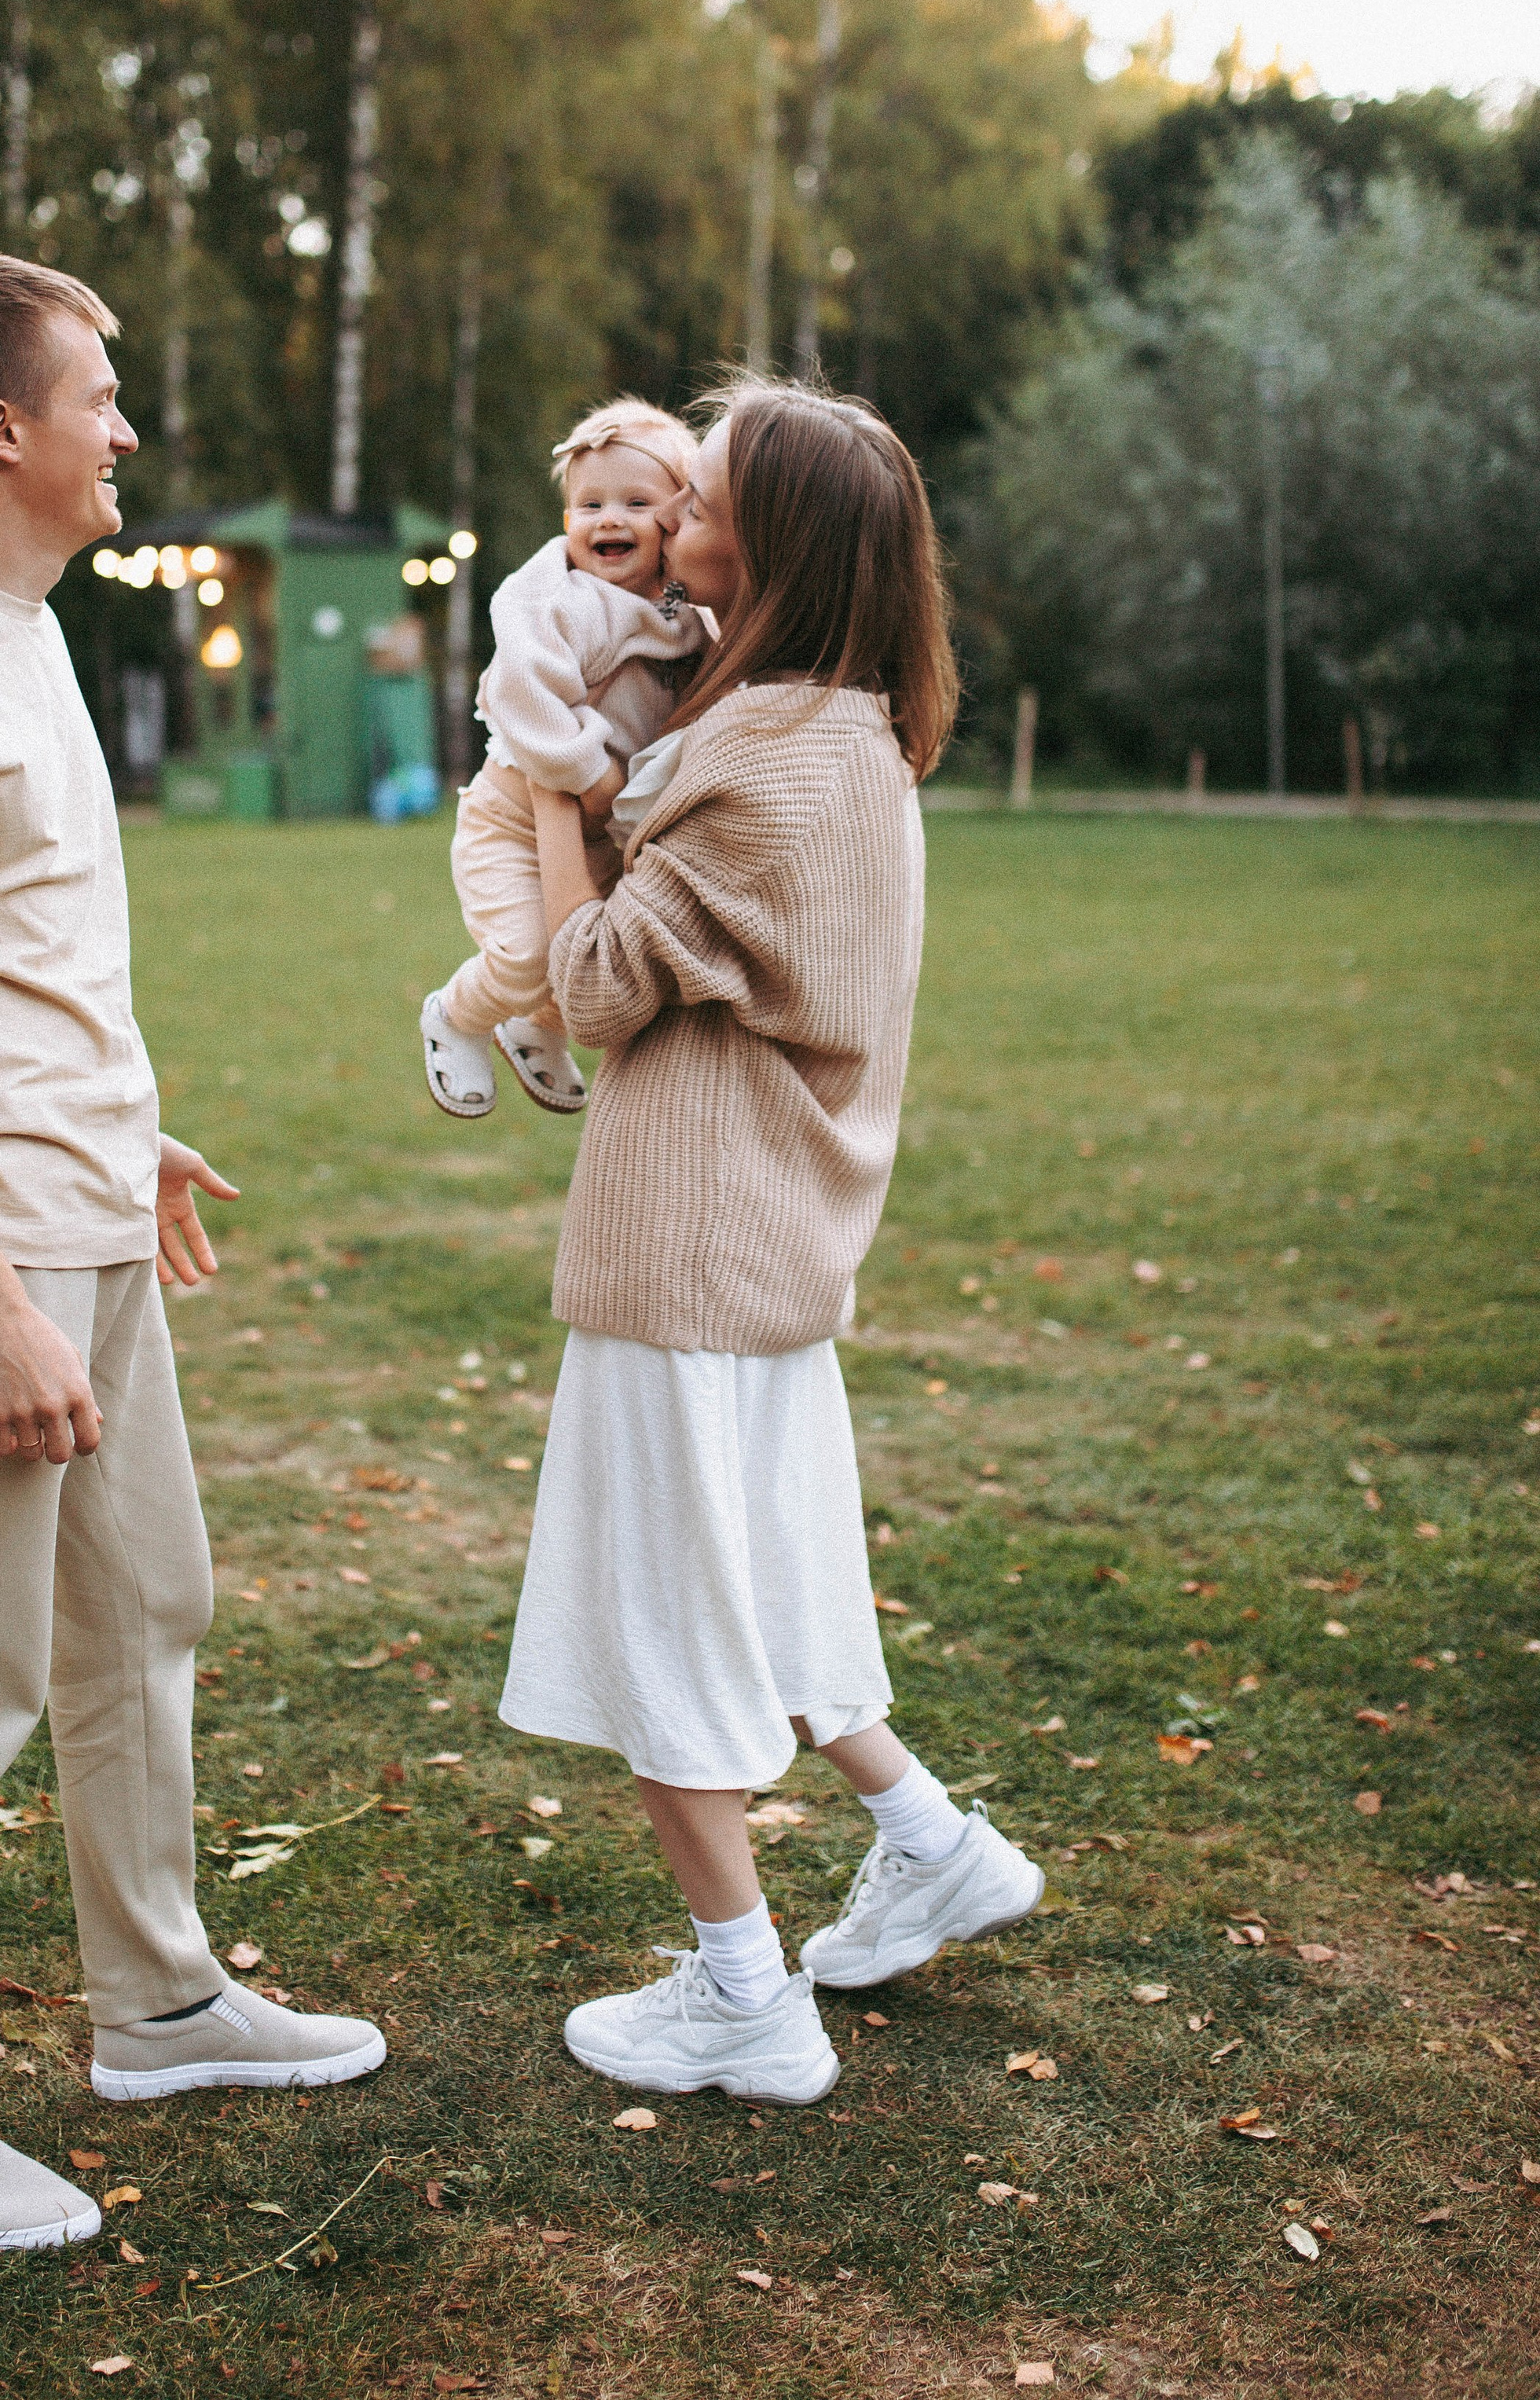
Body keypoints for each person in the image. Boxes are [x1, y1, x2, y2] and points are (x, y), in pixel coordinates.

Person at [0, 251, 383, 2253]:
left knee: (144, 1609)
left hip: (81, 1203)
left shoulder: (19, 626)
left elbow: (2, 968)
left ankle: (161, 1999)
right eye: (100, 397)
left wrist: (124, 1141)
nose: (130, 432)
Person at [498, 378, 1045, 2106]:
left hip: (686, 1252)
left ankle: (742, 1996)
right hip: (774, 1251)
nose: (666, 513)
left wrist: (531, 784)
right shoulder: (851, 733)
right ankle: (928, 1842)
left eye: (703, 493)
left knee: (662, 1625)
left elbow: (588, 992)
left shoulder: (750, 767)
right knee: (785, 1586)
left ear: (768, 546)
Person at [420, 399, 706, 1121]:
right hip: (516, 819)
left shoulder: (683, 609)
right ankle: (458, 1014)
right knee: (522, 955)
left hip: (605, 833)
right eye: (589, 504)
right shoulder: (552, 595)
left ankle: (536, 1027)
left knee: (590, 964)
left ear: (677, 518)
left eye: (637, 503)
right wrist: (594, 774)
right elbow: (524, 693)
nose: (608, 519)